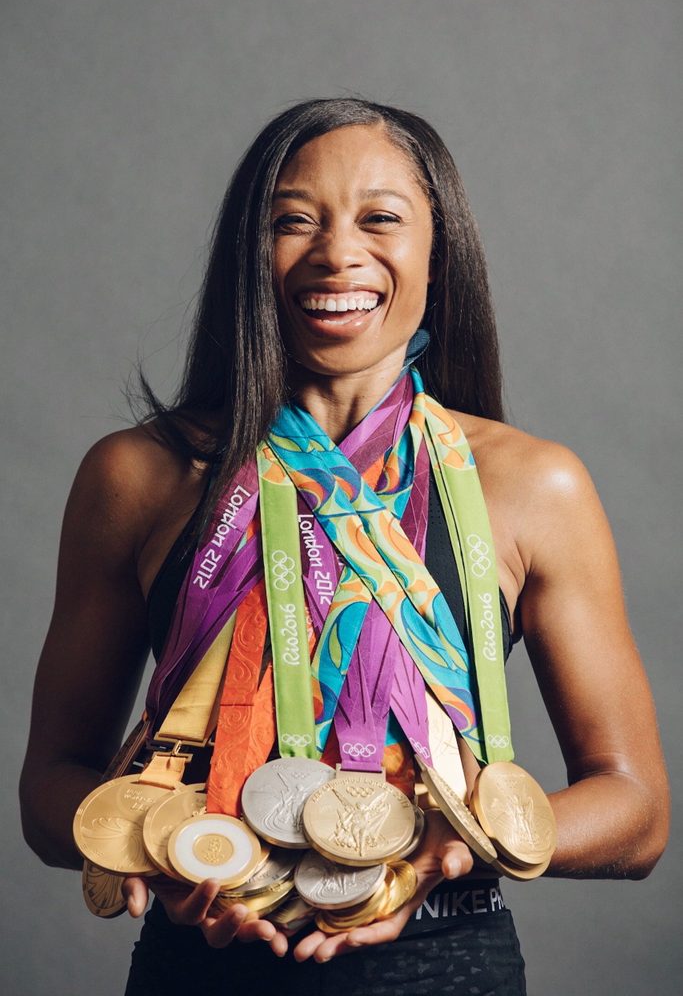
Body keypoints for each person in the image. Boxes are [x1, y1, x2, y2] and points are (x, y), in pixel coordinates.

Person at [20, 98, 669, 996]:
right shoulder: (138, 475)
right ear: (250, 255)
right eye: (294, 221)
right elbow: (48, 790)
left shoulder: (532, 485)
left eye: (380, 218)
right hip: (198, 962)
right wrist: (148, 848)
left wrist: (456, 848)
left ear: (438, 254)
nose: (336, 252)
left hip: (446, 964)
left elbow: (636, 813)